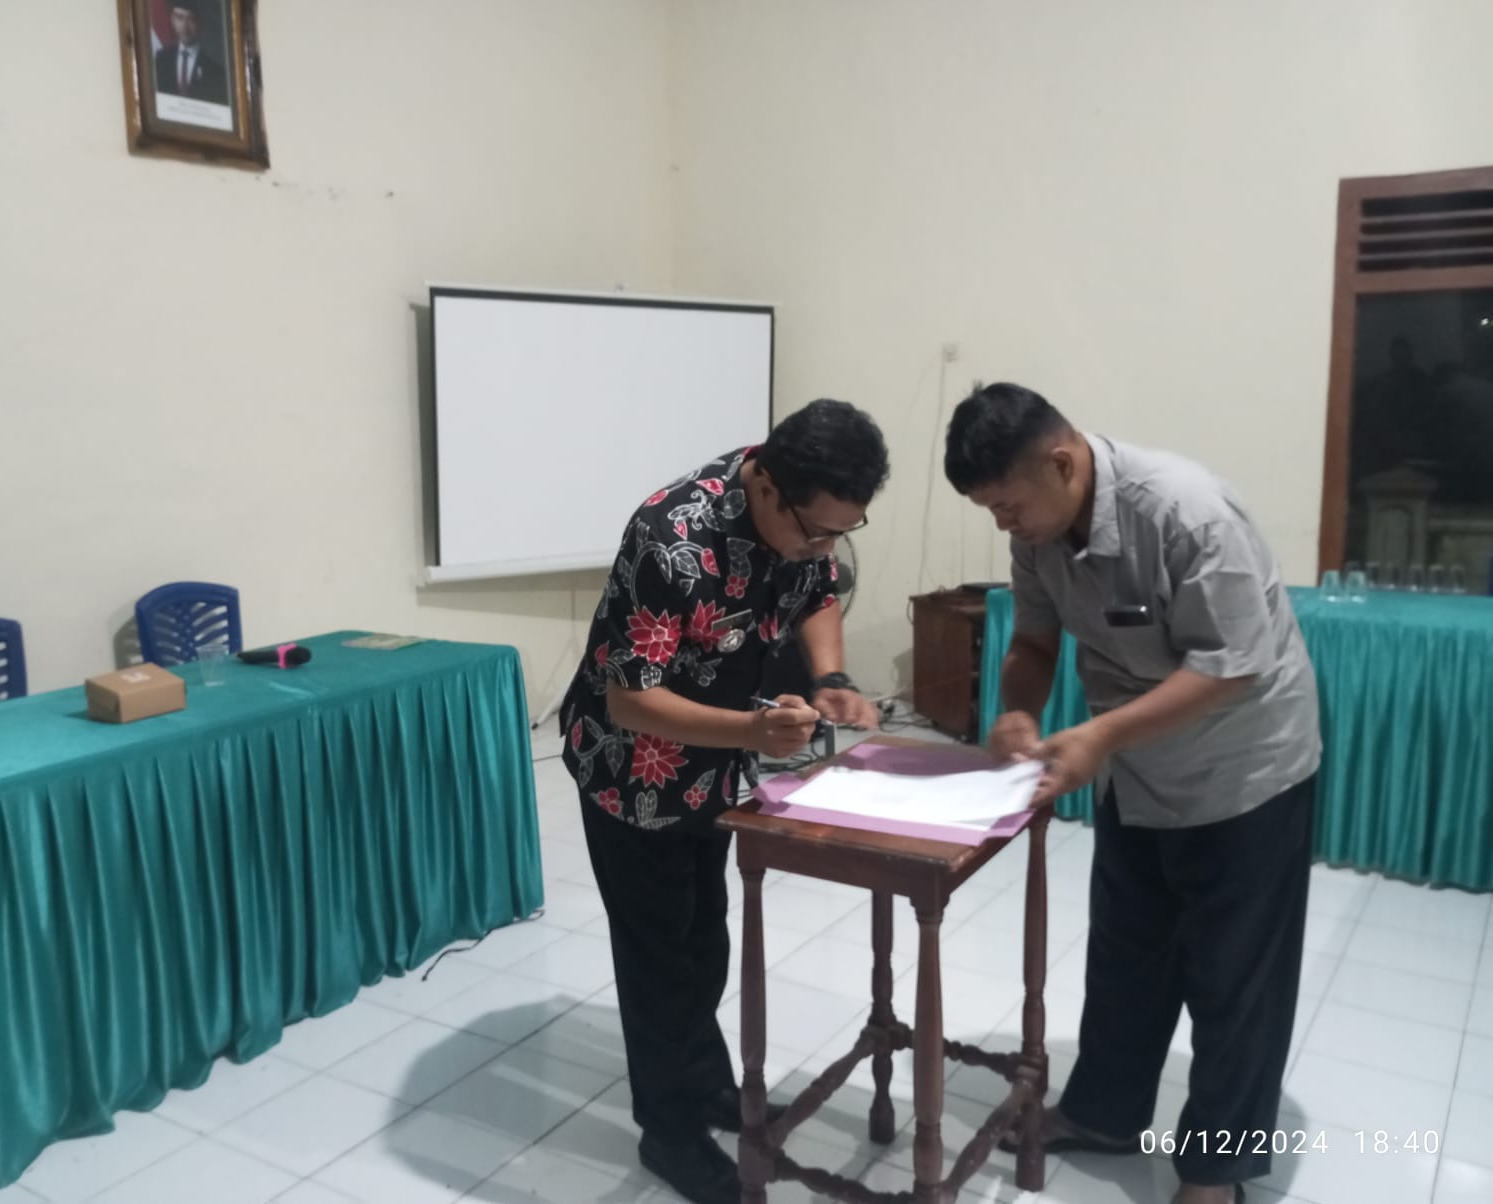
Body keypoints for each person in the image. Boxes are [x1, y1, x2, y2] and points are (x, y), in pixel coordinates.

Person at [943, 383, 1320, 1204]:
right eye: (991, 512)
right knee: (1128, 952)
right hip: (1138, 768)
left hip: (1244, 769)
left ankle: (1215, 1173)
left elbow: (1232, 666)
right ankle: (1106, 1114)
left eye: (1008, 506)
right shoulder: (1039, 533)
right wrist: (1017, 709)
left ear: (1062, 462)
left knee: (1235, 980)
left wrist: (1101, 735)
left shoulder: (1187, 513)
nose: (1005, 525)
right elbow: (1034, 640)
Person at [561, 399, 888, 1204]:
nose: (824, 547)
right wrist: (752, 729)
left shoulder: (800, 510)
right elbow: (631, 699)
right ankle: (667, 1132)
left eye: (843, 532)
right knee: (657, 956)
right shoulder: (670, 538)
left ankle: (705, 1082)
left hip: (713, 767)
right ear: (767, 487)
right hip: (632, 771)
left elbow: (817, 592)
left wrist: (831, 677)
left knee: (704, 933)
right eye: (816, 531)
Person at [154, 1, 230, 106]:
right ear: (172, 20)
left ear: (200, 23)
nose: (185, 27)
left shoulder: (215, 71)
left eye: (191, 19)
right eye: (179, 18)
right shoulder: (161, 60)